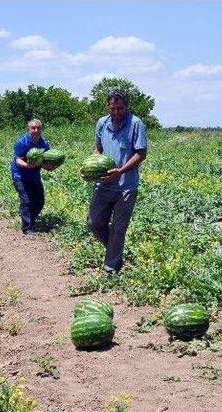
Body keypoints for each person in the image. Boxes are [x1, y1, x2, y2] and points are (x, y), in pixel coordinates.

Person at [87, 88, 147, 274]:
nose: (116, 112)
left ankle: (111, 267)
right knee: (93, 223)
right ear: (108, 106)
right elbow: (98, 149)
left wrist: (120, 171)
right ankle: (115, 252)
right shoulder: (102, 123)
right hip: (104, 184)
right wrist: (92, 167)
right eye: (113, 108)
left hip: (126, 187)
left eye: (120, 108)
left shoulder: (136, 124)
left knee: (118, 228)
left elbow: (141, 153)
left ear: (126, 107)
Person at [10, 118, 55, 235]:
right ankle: (27, 228)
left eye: (38, 128)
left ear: (41, 129)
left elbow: (43, 161)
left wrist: (48, 167)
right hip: (20, 176)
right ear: (28, 129)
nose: (36, 130)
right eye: (33, 128)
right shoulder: (22, 142)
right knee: (27, 200)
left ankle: (31, 220)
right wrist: (28, 165)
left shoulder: (44, 144)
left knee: (40, 201)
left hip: (34, 176)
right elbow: (18, 160)